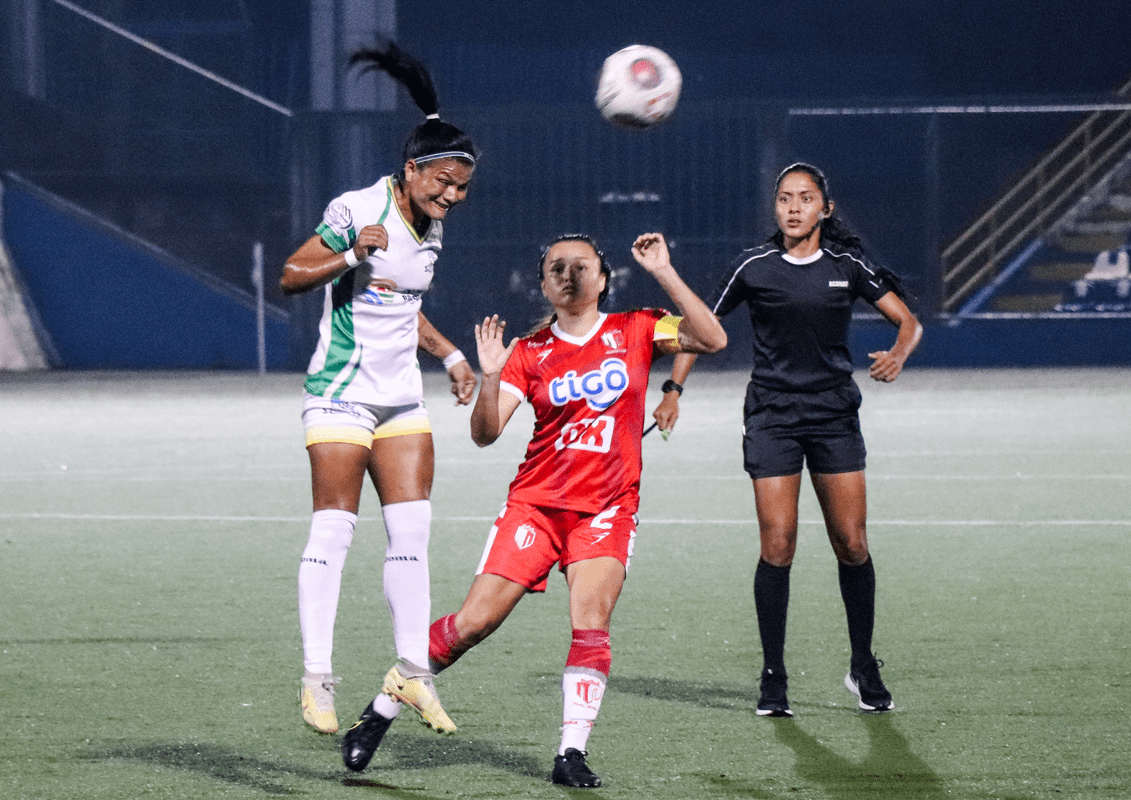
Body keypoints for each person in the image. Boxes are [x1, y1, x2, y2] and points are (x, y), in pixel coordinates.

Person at [339, 232, 727, 784]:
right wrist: (492, 376)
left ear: (603, 277)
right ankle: (378, 713)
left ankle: (571, 753)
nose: (569, 275)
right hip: (536, 507)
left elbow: (712, 339)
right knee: (472, 624)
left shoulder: (636, 327)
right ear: (544, 284)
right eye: (556, 268)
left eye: (581, 265)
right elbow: (485, 434)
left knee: (590, 622)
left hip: (607, 507)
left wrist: (663, 269)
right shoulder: (530, 351)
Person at [668, 162, 922, 717]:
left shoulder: (846, 264)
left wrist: (899, 353)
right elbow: (699, 326)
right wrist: (672, 389)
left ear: (825, 209)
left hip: (833, 415)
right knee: (777, 544)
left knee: (851, 543)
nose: (793, 207)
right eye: (785, 198)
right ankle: (773, 674)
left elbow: (907, 321)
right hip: (773, 416)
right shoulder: (753, 267)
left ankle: (862, 665)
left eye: (806, 199)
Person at [279, 41, 478, 742]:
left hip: (401, 398)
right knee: (334, 529)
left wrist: (450, 353)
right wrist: (350, 252)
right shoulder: (357, 207)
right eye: (442, 183)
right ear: (411, 168)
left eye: (461, 187)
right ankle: (316, 677)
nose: (451, 196)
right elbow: (293, 275)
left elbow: (400, 305)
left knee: (413, 535)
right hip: (340, 392)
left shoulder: (432, 228)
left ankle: (411, 673)